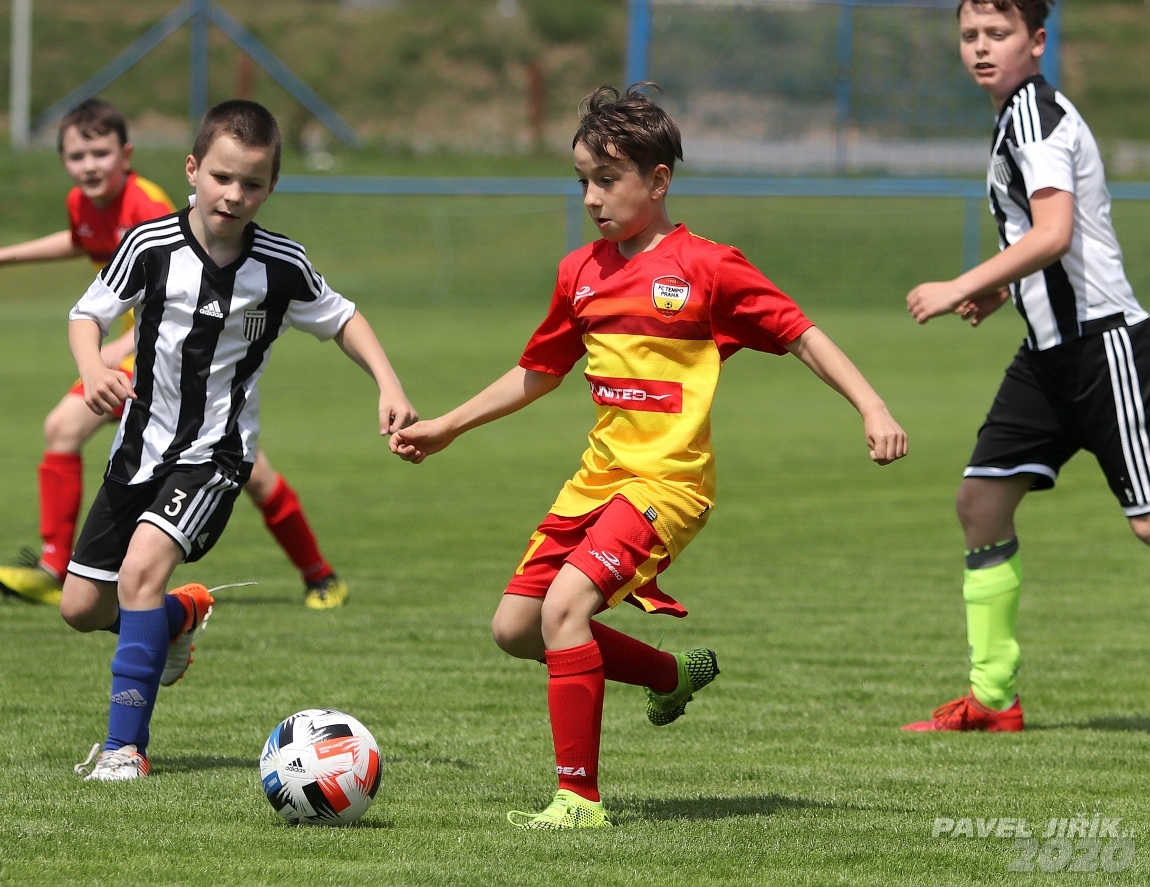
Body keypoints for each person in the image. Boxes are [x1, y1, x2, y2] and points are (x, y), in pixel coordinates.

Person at [390, 85, 908, 828]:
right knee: (517, 627)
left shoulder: (708, 267)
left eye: (608, 179)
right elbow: (539, 370)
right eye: (583, 181)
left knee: (565, 608)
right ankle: (670, 674)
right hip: (597, 481)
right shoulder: (580, 273)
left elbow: (800, 333)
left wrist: (872, 405)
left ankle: (578, 799)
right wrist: (449, 425)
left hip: (668, 485)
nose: (591, 198)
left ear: (658, 180)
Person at [64, 100, 416, 781]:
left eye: (251, 184)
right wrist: (92, 367)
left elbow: (344, 319)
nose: (233, 194)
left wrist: (389, 383)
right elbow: (88, 313)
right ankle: (177, 616)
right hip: (137, 450)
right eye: (221, 177)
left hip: (216, 456)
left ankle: (124, 749)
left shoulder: (281, 265)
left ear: (270, 187)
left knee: (140, 572)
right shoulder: (149, 246)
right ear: (192, 170)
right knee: (82, 608)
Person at [0, 99, 349, 610]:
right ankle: (58, 567)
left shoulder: (150, 209)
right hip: (136, 359)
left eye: (100, 153)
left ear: (127, 155)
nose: (89, 166)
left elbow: (186, 293)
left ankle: (319, 573)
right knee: (65, 430)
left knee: (246, 470)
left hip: (177, 355)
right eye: (76, 156)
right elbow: (82, 241)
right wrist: (0, 257)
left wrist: (114, 351)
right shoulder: (83, 204)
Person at [902, 0, 1147, 732]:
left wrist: (961, 284)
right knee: (981, 504)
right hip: (1046, 358)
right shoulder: (1015, 117)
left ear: (1036, 41)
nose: (981, 47)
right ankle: (993, 698)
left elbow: (1055, 232)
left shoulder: (1035, 116)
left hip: (1102, 348)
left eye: (998, 34)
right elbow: (1051, 241)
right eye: (970, 35)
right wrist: (1006, 289)